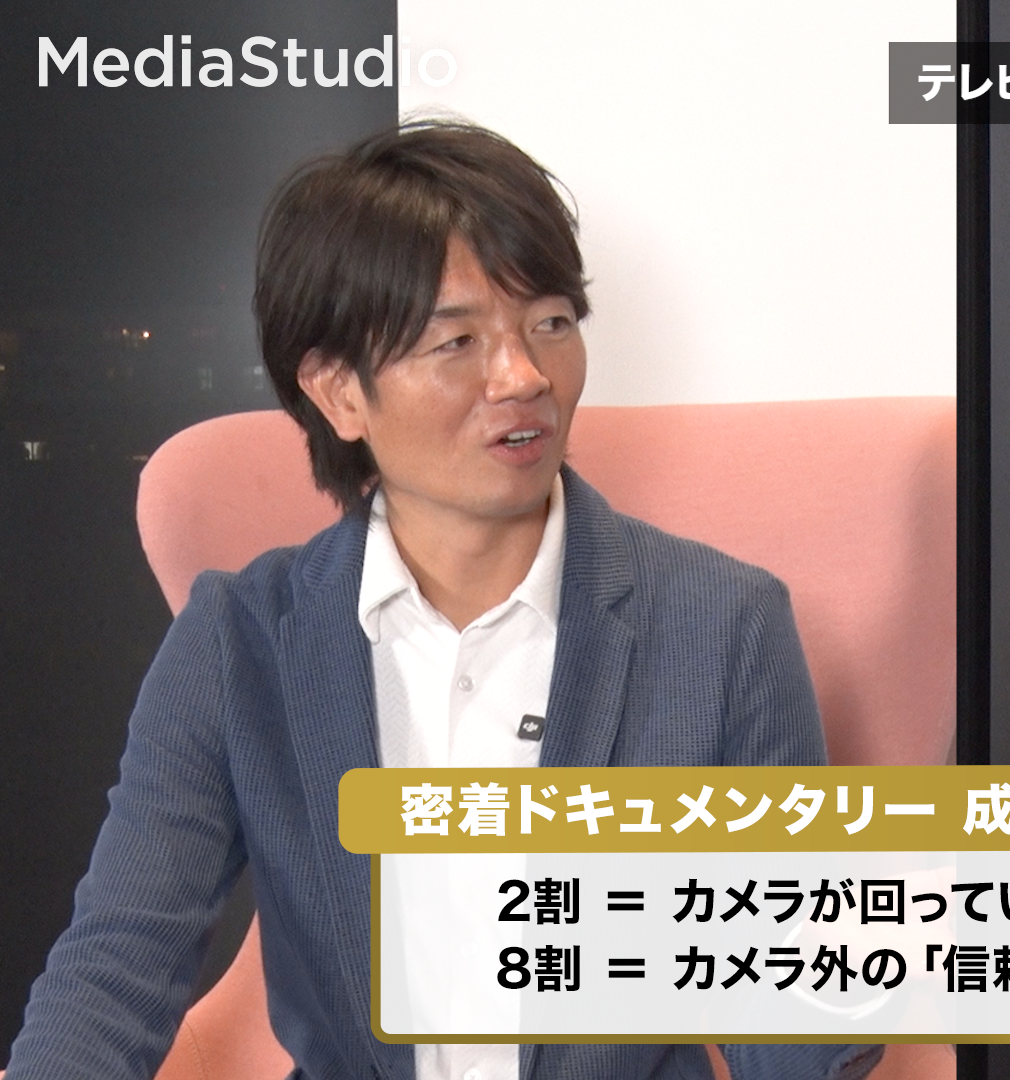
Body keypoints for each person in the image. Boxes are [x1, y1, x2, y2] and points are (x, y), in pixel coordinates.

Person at [8, 121, 877, 1080]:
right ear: (339, 393)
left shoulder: (723, 626)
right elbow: (115, 970)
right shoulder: (239, 641)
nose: (525, 376)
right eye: (457, 341)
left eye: (551, 323)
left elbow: (796, 1027)